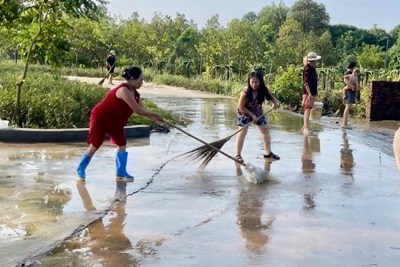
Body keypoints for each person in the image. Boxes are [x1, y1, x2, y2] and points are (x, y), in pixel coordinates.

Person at [76, 66, 166, 182]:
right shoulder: (123, 90)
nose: (142, 82)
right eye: (141, 80)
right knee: (95, 144)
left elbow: (142, 110)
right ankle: (81, 169)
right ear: (133, 80)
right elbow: (137, 110)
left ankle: (121, 172)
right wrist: (156, 114)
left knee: (122, 144)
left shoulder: (136, 94)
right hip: (101, 118)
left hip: (116, 121)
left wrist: (156, 119)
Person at [235, 71, 280, 164]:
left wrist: (274, 103)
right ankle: (237, 155)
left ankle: (268, 153)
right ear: (249, 82)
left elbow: (270, 96)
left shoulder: (263, 89)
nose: (254, 84)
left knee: (265, 130)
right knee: (242, 132)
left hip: (257, 111)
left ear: (260, 82)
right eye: (252, 82)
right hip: (244, 112)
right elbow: (241, 107)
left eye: (256, 82)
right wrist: (252, 115)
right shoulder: (245, 92)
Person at [301, 52, 321, 135]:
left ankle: (304, 128)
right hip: (308, 92)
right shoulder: (307, 68)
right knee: (307, 109)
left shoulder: (312, 68)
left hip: (312, 91)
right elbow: (305, 82)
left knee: (309, 109)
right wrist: (309, 94)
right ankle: (306, 128)